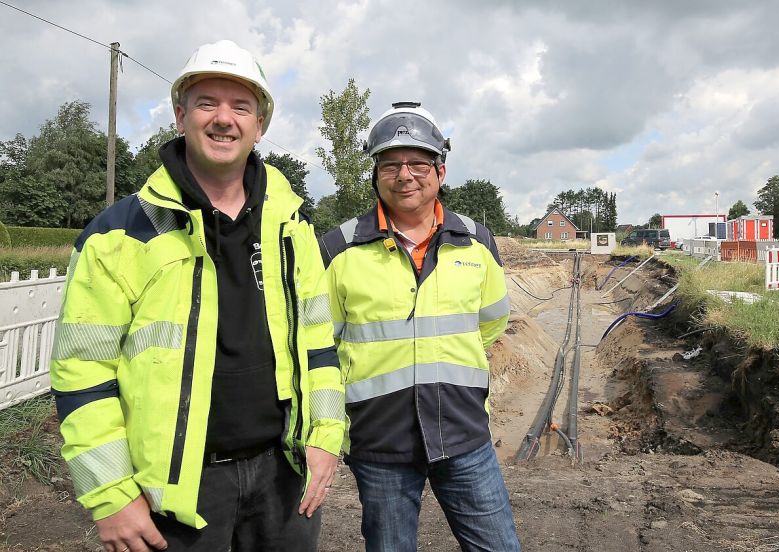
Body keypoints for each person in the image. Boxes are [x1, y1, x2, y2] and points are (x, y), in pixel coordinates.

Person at [50, 40, 344, 552]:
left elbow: (318, 344)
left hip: (284, 476)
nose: (224, 119)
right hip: (176, 491)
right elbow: (82, 372)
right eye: (207, 103)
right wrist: (111, 494)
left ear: (260, 125)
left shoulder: (293, 228)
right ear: (180, 115)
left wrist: (325, 437)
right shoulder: (120, 234)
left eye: (241, 106)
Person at [319, 101, 519, 551]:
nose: (404, 175)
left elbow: (491, 323)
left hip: (465, 434)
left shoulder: (478, 242)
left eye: (417, 162)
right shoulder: (337, 250)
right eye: (390, 165)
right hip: (380, 442)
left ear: (440, 171)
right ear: (374, 174)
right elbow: (319, 348)